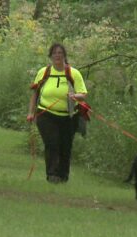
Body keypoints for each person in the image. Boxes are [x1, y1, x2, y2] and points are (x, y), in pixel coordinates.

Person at [27, 43, 88, 183]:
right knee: (51, 143)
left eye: (60, 53)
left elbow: (83, 95)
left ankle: (63, 176)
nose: (57, 55)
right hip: (45, 114)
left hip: (69, 116)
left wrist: (74, 96)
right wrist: (30, 113)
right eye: (54, 53)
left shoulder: (73, 73)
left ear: (65, 56)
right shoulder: (44, 72)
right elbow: (35, 93)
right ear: (50, 56)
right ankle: (52, 175)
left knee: (65, 146)